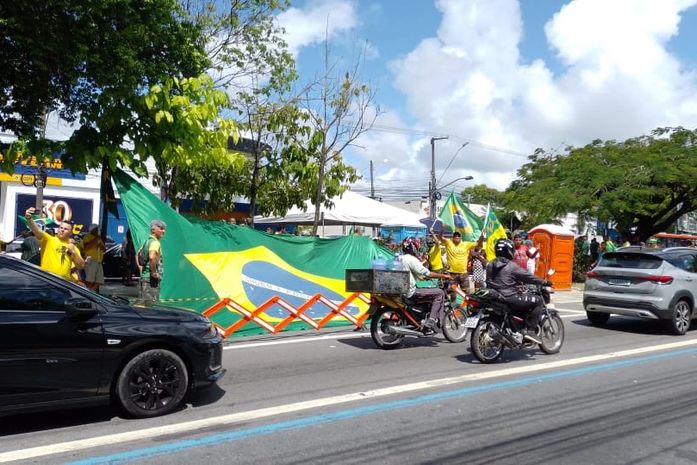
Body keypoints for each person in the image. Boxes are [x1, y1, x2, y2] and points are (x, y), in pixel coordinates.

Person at [486, 239, 550, 344]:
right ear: (509, 251)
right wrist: (543, 282)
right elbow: (528, 277)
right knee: (538, 301)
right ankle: (530, 331)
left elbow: (500, 280)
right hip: (509, 297)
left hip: (494, 295)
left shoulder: (490, 264)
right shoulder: (512, 266)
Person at [400, 238, 451, 332]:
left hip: (400, 291)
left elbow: (418, 275)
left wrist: (424, 277)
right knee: (439, 293)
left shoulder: (398, 258)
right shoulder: (411, 259)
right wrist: (444, 276)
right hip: (410, 292)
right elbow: (427, 273)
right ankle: (431, 320)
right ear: (413, 248)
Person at [24, 207, 85, 282]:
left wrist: (73, 252)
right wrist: (29, 218)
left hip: (64, 283)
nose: (62, 230)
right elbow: (36, 230)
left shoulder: (73, 247)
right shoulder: (49, 239)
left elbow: (81, 266)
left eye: (66, 229)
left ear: (71, 233)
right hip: (47, 280)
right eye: (61, 227)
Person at [137, 219, 167, 304]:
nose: (163, 231)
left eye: (164, 229)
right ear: (153, 230)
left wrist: (141, 269)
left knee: (143, 305)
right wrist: (154, 273)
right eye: (161, 228)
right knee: (151, 307)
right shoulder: (155, 243)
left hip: (145, 278)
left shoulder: (146, 241)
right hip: (151, 281)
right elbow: (151, 257)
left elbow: (138, 255)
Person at [78, 224, 106, 292]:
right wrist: (96, 239)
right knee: (90, 280)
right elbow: (86, 247)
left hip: (98, 262)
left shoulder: (98, 238)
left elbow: (104, 249)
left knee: (99, 280)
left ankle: (92, 292)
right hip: (91, 261)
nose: (99, 230)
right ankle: (90, 293)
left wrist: (100, 244)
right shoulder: (87, 236)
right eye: (97, 229)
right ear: (93, 230)